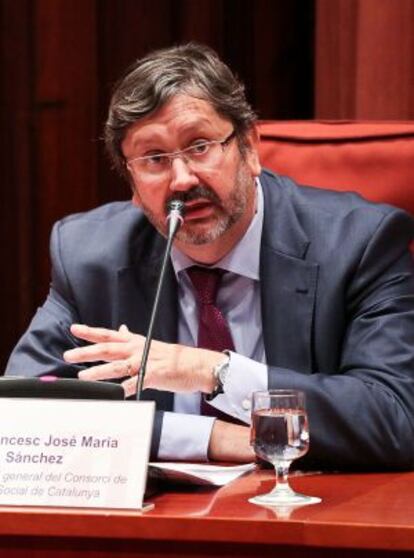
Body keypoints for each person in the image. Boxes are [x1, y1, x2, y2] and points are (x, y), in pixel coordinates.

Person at [6, 43, 414, 470]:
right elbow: (21, 412)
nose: (181, 180)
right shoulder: (89, 255)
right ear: (131, 180)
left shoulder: (360, 243)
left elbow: (395, 418)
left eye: (200, 146)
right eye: (155, 159)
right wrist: (213, 438)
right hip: (160, 521)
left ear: (250, 147)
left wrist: (214, 372)